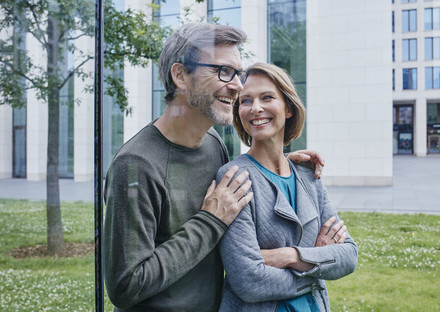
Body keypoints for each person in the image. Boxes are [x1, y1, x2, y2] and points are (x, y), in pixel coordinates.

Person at [103, 23, 324, 312]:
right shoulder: (134, 165)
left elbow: (234, 197)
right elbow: (126, 286)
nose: (238, 86)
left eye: (238, 73)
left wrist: (280, 163)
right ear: (180, 75)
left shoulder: (213, 143)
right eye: (223, 71)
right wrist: (210, 221)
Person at [217, 63, 358, 312]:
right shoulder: (235, 177)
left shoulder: (308, 175)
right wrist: (317, 262)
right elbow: (248, 280)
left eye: (267, 97)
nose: (256, 108)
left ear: (289, 108)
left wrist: (292, 256)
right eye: (246, 100)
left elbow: (348, 255)